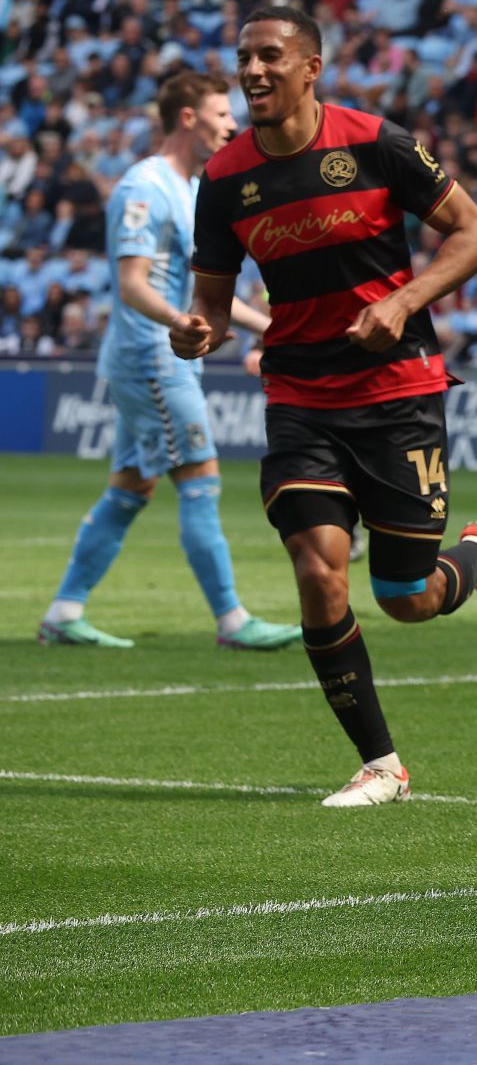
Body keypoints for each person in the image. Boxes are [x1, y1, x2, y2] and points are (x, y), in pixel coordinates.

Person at [173, 6, 477, 809]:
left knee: (405, 597)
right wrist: (197, 330)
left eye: (271, 56)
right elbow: (211, 295)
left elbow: (476, 235)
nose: (254, 70)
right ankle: (382, 763)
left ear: (312, 67)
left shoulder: (378, 141)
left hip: (397, 391)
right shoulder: (226, 176)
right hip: (300, 394)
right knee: (317, 569)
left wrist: (403, 301)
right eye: (244, 58)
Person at [40, 72, 301, 651]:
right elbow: (131, 285)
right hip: (152, 357)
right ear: (189, 118)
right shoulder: (145, 188)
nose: (232, 123)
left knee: (131, 488)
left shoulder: (190, 188)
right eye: (220, 113)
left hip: (168, 352)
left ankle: (63, 612)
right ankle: (233, 621)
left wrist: (277, 327)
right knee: (200, 476)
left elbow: (210, 294)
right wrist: (177, 322)